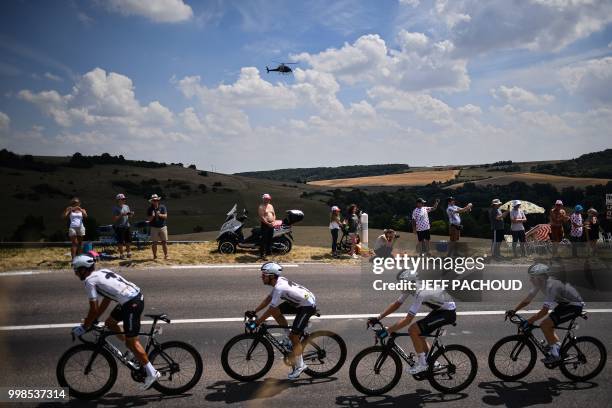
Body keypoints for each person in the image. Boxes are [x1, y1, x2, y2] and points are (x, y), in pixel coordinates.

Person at [70, 254, 160, 389]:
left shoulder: (89, 281)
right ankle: (131, 352)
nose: (76, 274)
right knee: (110, 323)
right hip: (130, 299)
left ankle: (152, 373)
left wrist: (84, 326)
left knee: (132, 341)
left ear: (84, 269)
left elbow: (93, 309)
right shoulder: (101, 272)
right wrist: (94, 319)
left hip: (131, 303)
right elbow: (107, 299)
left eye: (77, 270)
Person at [369, 273, 456, 374]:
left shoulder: (421, 293)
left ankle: (422, 364)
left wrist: (387, 331)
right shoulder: (411, 287)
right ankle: (433, 363)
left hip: (447, 313)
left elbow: (408, 320)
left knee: (413, 330)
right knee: (420, 335)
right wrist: (379, 317)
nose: (400, 285)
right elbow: (397, 304)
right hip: (441, 309)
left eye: (402, 283)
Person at [247, 262, 317, 380]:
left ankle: (300, 366)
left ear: (272, 276)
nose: (262, 277)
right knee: (276, 313)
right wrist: (254, 311)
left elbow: (270, 309)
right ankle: (293, 333)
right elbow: (268, 299)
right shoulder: (278, 283)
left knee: (294, 337)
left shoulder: (279, 287)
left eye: (264, 275)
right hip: (299, 302)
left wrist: (258, 322)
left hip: (307, 306)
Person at [507, 263, 584, 364]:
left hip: (574, 306)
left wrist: (527, 322)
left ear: (540, 278)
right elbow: (528, 300)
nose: (530, 280)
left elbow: (544, 311)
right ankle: (557, 347)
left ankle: (555, 356)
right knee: (548, 325)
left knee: (545, 325)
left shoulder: (551, 286)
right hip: (564, 305)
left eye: (532, 277)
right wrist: (514, 310)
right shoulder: (540, 284)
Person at [147, 194, 168, 260]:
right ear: (152, 201)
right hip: (154, 227)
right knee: (154, 243)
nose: (155, 201)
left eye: (156, 200)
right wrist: (153, 216)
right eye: (154, 200)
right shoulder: (150, 209)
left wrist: (159, 215)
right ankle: (155, 256)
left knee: (164, 242)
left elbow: (166, 216)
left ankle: (166, 255)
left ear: (158, 200)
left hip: (162, 227)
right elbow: (149, 220)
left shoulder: (162, 207)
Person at [112, 193, 133, 259]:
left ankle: (128, 253)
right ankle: (121, 254)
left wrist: (131, 214)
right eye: (122, 199)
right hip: (119, 227)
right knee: (120, 241)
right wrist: (121, 215)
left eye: (124, 199)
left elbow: (129, 216)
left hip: (127, 225)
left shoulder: (126, 206)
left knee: (128, 240)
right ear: (118, 200)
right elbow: (114, 218)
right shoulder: (115, 208)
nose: (124, 200)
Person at [258, 193, 276, 260]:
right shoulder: (261, 207)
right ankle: (262, 254)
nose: (267, 200)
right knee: (264, 240)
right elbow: (262, 217)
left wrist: (273, 221)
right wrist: (268, 223)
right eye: (266, 199)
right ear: (263, 199)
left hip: (271, 224)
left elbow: (274, 214)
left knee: (270, 239)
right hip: (265, 225)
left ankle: (268, 252)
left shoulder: (271, 206)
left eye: (268, 199)